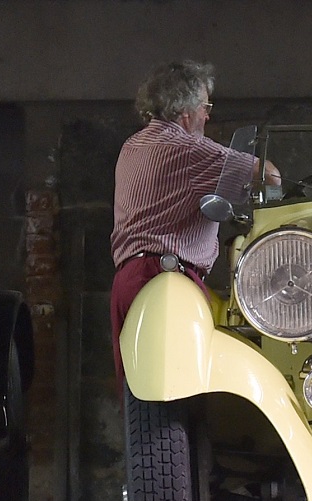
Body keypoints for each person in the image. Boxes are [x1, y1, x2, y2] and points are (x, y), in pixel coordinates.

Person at [108, 59, 277, 371]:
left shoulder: (132, 145)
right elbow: (268, 174)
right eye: (205, 105)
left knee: (138, 398)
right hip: (164, 281)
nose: (208, 114)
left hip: (127, 280)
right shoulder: (187, 150)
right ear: (185, 110)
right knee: (186, 389)